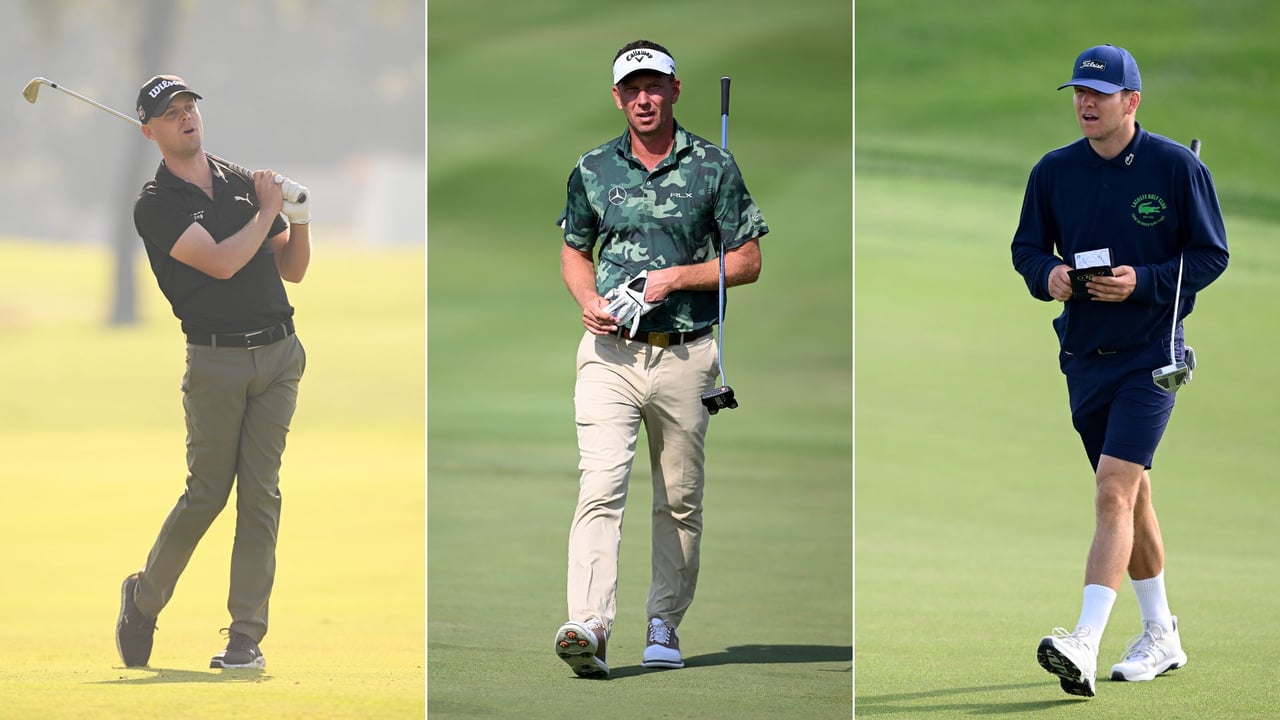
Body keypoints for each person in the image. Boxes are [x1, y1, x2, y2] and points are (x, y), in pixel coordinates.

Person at [1011, 44, 1228, 697]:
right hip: (1084, 356)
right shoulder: (1053, 170)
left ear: (1131, 101)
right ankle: (1162, 633)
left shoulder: (1176, 167)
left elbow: (1210, 255)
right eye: (1079, 92)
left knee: (1112, 491)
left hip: (1152, 355)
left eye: (1099, 95)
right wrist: (1048, 275)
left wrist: (1144, 281)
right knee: (1132, 496)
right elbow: (1027, 248)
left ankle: (1083, 640)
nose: (1086, 103)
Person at [552, 40, 768, 679]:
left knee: (679, 498)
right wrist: (589, 299)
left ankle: (663, 622)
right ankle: (590, 626)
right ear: (617, 97)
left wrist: (674, 278)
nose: (643, 98)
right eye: (632, 89)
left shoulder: (713, 166)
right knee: (600, 485)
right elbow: (574, 248)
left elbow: (747, 261)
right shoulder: (593, 168)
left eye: (654, 86)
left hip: (687, 354)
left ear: (674, 90)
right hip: (609, 356)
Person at [114, 75, 312, 670]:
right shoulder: (156, 204)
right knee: (206, 495)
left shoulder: (239, 182)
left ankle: (245, 637)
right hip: (215, 360)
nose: (186, 117)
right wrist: (269, 208)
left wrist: (299, 218)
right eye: (170, 113)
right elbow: (223, 263)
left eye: (189, 107)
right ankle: (143, 599)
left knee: (261, 496)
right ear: (149, 131)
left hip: (279, 355)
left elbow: (293, 269)